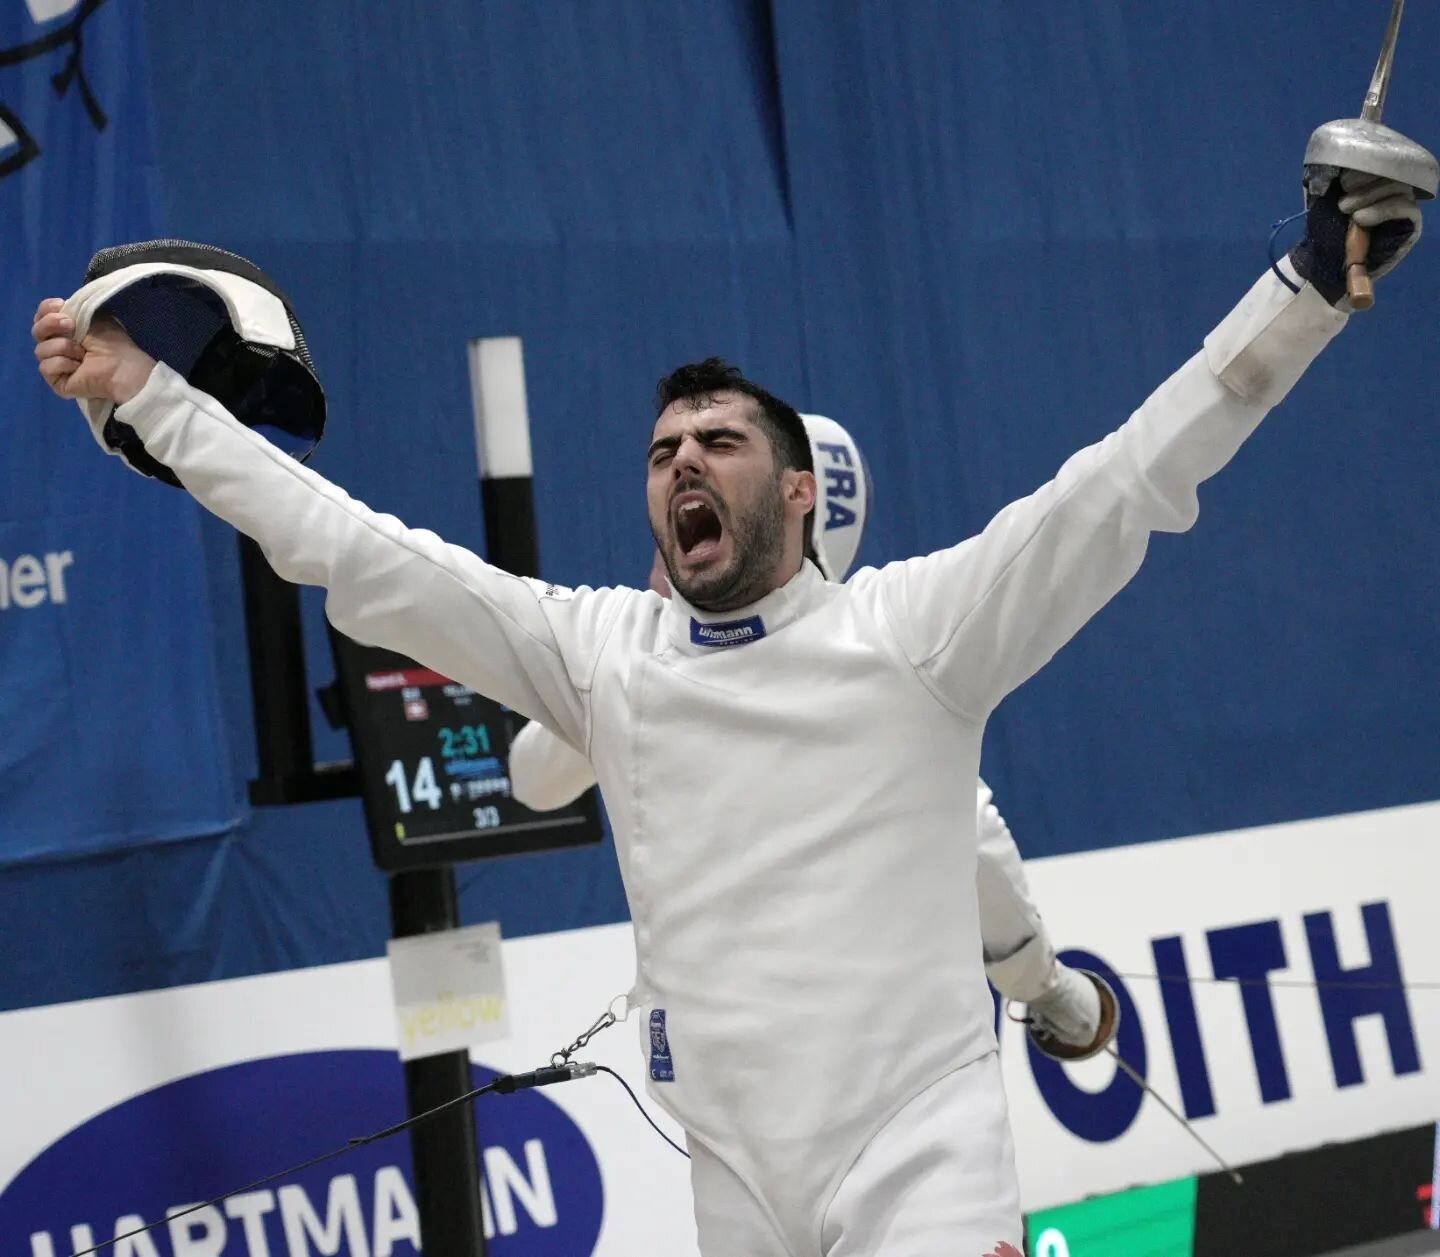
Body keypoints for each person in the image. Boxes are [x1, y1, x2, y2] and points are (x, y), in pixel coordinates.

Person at [31, 165, 1420, 1255]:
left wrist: (1304, 285)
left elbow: (1129, 482)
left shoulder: (915, 633)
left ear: (802, 491)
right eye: (661, 451)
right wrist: (153, 395)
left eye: (721, 441)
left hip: (919, 1160)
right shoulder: (601, 656)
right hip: (735, 1181)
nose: (684, 461)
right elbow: (346, 549)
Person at [508, 414, 1114, 1059]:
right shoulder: (646, 657)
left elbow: (970, 833)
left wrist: (1045, 988)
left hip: (845, 1037)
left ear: (795, 503)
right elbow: (534, 781)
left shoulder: (867, 667)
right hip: (725, 1052)